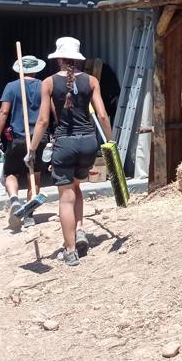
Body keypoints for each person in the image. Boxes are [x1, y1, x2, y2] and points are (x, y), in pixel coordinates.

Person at [28, 37, 112, 267]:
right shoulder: (92, 80)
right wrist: (111, 140)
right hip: (88, 143)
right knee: (76, 186)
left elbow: (44, 120)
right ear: (77, 60)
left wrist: (32, 149)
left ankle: (71, 249)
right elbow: (102, 115)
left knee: (66, 196)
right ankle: (81, 229)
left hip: (65, 143)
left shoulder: (48, 83)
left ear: (59, 60)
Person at [0, 54, 48, 231]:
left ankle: (15, 200)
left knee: (11, 173)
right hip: (38, 138)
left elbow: (3, 111)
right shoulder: (44, 86)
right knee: (35, 175)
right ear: (36, 70)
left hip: (18, 138)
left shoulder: (12, 87)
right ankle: (29, 216)